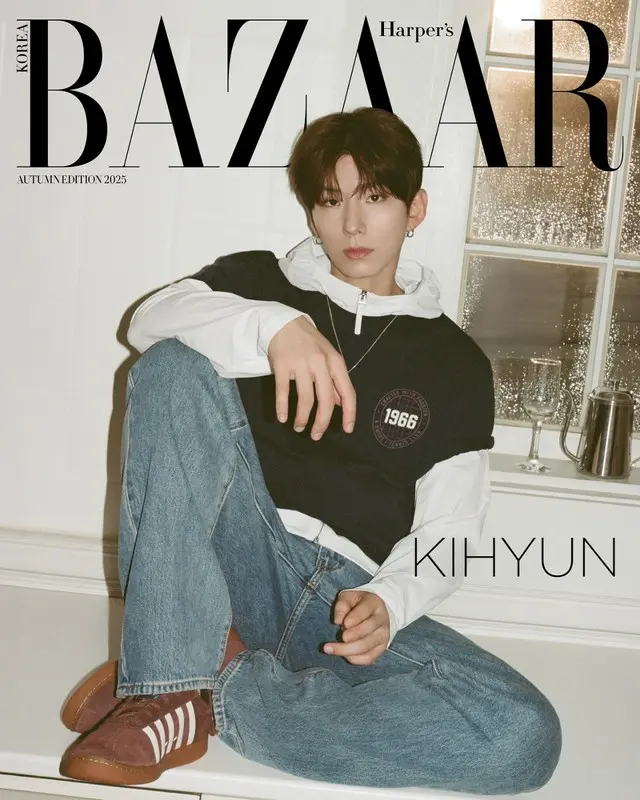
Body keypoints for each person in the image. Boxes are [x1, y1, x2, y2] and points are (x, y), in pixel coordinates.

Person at [59, 107, 562, 794]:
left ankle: (214, 687)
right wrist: (273, 328)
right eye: (330, 201)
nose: (352, 225)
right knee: (173, 365)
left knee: (522, 736)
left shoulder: (458, 364)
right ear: (312, 212)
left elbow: (452, 530)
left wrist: (389, 599)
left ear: (415, 209)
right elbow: (149, 321)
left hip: (343, 598)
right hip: (237, 556)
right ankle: (168, 683)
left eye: (374, 198)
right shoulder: (259, 282)